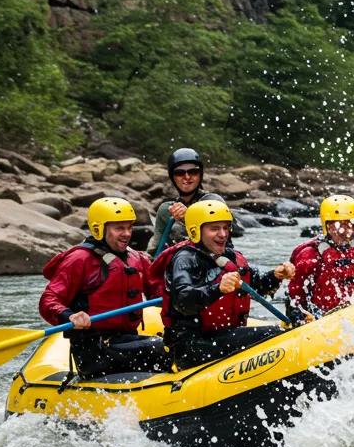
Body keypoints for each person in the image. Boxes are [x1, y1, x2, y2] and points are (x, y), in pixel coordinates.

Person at [149, 198, 295, 370]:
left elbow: (257, 286)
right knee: (275, 335)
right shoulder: (185, 259)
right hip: (192, 345)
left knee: (281, 333)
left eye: (225, 227)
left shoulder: (232, 257)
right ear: (196, 231)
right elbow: (183, 301)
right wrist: (217, 289)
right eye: (214, 228)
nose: (223, 234)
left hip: (220, 336)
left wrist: (276, 275)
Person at [39, 196, 164, 379]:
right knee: (160, 348)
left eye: (129, 227)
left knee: (174, 344)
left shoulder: (137, 258)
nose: (127, 234)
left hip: (127, 340)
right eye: (119, 228)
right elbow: (48, 300)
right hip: (94, 349)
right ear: (99, 229)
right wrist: (70, 315)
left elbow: (159, 293)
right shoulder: (79, 259)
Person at [287, 195, 354, 318]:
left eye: (350, 223)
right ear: (327, 226)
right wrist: (298, 313)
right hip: (325, 318)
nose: (345, 229)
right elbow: (295, 295)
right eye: (339, 224)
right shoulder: (310, 254)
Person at [148, 147, 227, 253]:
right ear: (173, 177)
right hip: (178, 264)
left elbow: (224, 237)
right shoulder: (166, 210)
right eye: (180, 173)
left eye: (193, 171)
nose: (187, 177)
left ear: (200, 175)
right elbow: (155, 247)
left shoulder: (214, 202)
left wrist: (188, 217)